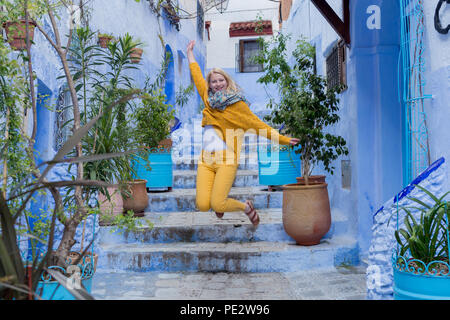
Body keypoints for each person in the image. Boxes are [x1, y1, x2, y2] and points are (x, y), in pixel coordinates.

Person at [186, 40, 299, 227]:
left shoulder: (238, 106)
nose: (217, 84)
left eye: (221, 80)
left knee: (217, 203)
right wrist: (190, 53)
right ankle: (222, 204)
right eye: (214, 81)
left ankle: (246, 208)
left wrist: (284, 140)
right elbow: (197, 75)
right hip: (206, 160)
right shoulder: (208, 99)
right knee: (203, 204)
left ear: (227, 81)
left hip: (227, 160)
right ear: (210, 84)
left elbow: (259, 125)